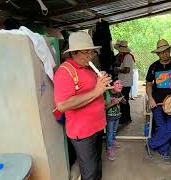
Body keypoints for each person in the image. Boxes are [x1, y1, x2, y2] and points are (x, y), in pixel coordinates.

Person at [54, 31, 113, 180]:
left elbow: (95, 92)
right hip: (82, 132)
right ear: (73, 52)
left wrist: (105, 85)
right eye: (86, 52)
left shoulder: (87, 68)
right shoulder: (65, 72)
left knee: (97, 164)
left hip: (97, 127)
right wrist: (96, 90)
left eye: (91, 52)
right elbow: (62, 105)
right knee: (90, 172)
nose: (90, 56)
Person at [145, 39, 171, 164]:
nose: (164, 54)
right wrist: (150, 98)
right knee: (161, 127)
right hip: (157, 102)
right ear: (157, 54)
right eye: (161, 52)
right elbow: (148, 84)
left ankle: (151, 144)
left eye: (166, 51)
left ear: (169, 50)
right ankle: (165, 152)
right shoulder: (153, 66)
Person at [114, 40, 135, 124]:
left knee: (124, 100)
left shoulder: (127, 57)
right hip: (124, 82)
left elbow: (127, 70)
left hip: (126, 82)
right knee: (123, 99)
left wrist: (118, 70)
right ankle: (125, 117)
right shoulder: (125, 56)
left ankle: (126, 118)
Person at [104, 79, 125, 161]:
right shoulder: (106, 93)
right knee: (109, 133)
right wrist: (114, 103)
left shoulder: (119, 92)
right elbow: (103, 108)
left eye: (121, 83)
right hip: (109, 117)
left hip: (117, 116)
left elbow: (124, 102)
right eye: (117, 83)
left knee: (114, 131)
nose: (121, 85)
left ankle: (113, 142)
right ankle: (109, 148)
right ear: (111, 85)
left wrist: (122, 100)